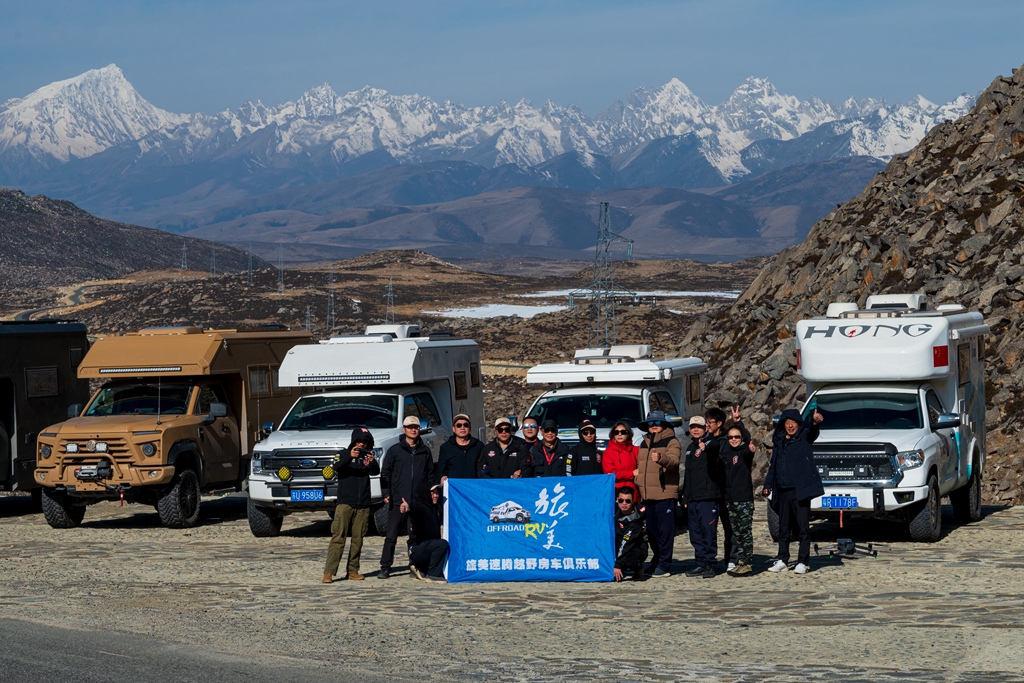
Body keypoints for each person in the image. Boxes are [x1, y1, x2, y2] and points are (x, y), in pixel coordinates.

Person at [763, 408, 825, 574]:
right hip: (781, 490)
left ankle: (803, 562)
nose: (790, 425)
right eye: (787, 422)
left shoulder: (804, 437)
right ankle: (782, 559)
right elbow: (773, 465)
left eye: (794, 422)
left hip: (800, 490)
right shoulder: (779, 441)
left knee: (803, 527)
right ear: (783, 424)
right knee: (783, 528)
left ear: (798, 424)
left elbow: (812, 432)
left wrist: (815, 423)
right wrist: (768, 484)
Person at [379, 415, 436, 579]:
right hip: (398, 500)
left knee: (416, 536)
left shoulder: (425, 451)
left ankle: (415, 565)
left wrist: (432, 491)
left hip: (418, 500)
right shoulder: (394, 450)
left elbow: (430, 474)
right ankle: (385, 567)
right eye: (410, 427)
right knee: (391, 536)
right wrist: (386, 493)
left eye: (416, 427)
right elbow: (385, 473)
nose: (413, 430)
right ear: (404, 429)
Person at [322, 427, 380, 583]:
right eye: (359, 441)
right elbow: (336, 468)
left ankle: (353, 570)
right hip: (345, 503)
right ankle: (329, 572)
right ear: (353, 441)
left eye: (365, 442)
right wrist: (349, 456)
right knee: (338, 537)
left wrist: (372, 461)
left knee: (358, 539)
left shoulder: (367, 456)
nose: (361, 444)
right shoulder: (343, 454)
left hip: (363, 504)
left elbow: (375, 472)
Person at [634, 410, 680, 578]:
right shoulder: (643, 442)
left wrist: (661, 458)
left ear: (664, 424)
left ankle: (665, 564)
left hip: (664, 493)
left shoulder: (672, 441)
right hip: (647, 495)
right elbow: (641, 466)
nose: (653, 426)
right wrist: (637, 477)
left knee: (665, 532)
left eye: (657, 422)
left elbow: (674, 461)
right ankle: (658, 560)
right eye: (650, 423)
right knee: (652, 532)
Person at [681, 416, 724, 578]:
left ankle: (710, 564)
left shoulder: (711, 442)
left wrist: (706, 446)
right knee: (695, 534)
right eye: (693, 427)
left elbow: (714, 446)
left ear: (705, 428)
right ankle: (700, 563)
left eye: (699, 427)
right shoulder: (690, 447)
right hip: (693, 498)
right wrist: (685, 496)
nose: (696, 430)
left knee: (708, 533)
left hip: (708, 497)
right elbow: (688, 475)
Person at [715, 405, 755, 571]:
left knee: (745, 533)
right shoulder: (727, 453)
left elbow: (748, 444)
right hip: (731, 500)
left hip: (743, 500)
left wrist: (738, 423)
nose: (733, 439)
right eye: (730, 437)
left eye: (737, 437)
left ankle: (747, 563)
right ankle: (740, 562)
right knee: (736, 533)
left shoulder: (744, 452)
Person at [409, 485, 448, 582]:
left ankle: (421, 568)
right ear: (426, 494)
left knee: (439, 543)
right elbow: (414, 510)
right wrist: (408, 509)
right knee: (442, 544)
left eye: (437, 493)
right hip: (417, 549)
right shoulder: (420, 507)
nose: (436, 495)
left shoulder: (436, 508)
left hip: (428, 547)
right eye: (433, 493)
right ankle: (433, 574)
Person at [613, 486, 648, 581]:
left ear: (632, 501)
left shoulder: (636, 520)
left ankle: (638, 568)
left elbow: (627, 543)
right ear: (617, 500)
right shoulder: (614, 511)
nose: (624, 503)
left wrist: (617, 565)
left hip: (636, 546)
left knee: (629, 559)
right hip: (620, 541)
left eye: (628, 501)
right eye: (621, 500)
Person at [437, 413, 483, 482]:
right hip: (456, 487)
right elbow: (441, 471)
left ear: (470, 428)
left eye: (466, 425)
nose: (462, 428)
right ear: (453, 429)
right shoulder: (445, 448)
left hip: (475, 486)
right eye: (459, 425)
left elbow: (484, 467)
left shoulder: (479, 446)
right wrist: (441, 479)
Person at [603, 420, 640, 501]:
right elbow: (610, 474)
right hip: (616, 492)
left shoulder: (636, 450)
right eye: (616, 432)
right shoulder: (608, 453)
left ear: (628, 434)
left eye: (623, 432)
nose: (619, 434)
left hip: (634, 491)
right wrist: (631, 473)